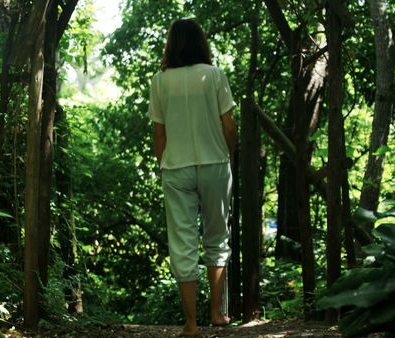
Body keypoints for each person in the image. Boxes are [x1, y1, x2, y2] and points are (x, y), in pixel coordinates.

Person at [147, 18, 237, 337]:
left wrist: (166, 164)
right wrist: (227, 154)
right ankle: (216, 313)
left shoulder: (160, 80)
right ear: (201, 42)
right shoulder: (214, 76)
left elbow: (159, 133)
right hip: (215, 164)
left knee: (182, 244)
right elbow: (229, 125)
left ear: (172, 44)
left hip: (176, 168)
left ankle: (190, 324)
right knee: (217, 237)